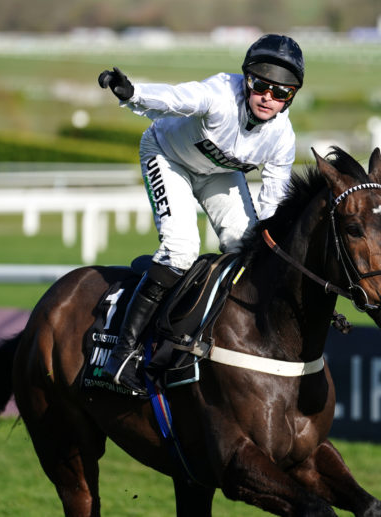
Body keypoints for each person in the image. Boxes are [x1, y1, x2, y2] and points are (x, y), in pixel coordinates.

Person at [97, 34, 305, 395]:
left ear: (291, 97)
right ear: (247, 81)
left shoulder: (282, 138)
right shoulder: (220, 93)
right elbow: (173, 100)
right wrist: (132, 93)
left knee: (250, 251)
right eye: (261, 86)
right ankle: (122, 354)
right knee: (181, 249)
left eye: (281, 93)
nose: (268, 98)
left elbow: (273, 207)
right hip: (167, 156)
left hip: (218, 172)